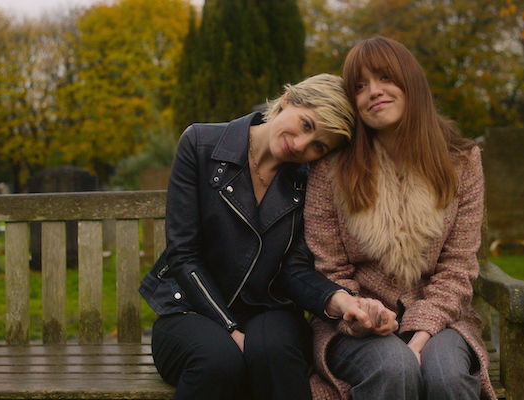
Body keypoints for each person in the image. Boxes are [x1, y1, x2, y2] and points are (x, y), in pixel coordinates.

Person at [139, 73, 397, 400]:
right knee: (218, 362)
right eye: (306, 124)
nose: (302, 145)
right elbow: (183, 255)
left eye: (319, 145)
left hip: (270, 310)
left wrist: (345, 302)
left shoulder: (309, 180)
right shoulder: (201, 144)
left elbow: (295, 270)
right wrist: (230, 329)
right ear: (287, 100)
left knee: (273, 354)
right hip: (188, 309)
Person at [304, 37, 497, 400]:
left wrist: (419, 336)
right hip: (352, 322)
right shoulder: (331, 169)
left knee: (447, 378)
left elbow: (458, 267)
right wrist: (360, 315)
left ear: (410, 82)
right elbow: (328, 268)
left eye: (385, 78)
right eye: (360, 86)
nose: (373, 92)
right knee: (393, 368)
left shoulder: (461, 161)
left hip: (442, 318)